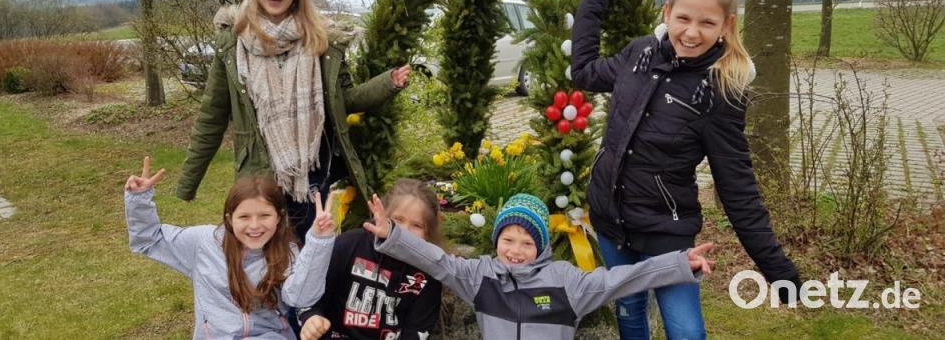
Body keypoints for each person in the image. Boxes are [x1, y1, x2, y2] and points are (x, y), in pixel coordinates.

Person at [571, 0, 801, 339]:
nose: (692, 33)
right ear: (667, 12)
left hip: (665, 233)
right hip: (610, 219)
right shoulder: (638, 54)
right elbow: (583, 71)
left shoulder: (721, 91)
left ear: (727, 25)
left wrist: (777, 270)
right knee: (629, 311)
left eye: (707, 23)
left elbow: (737, 186)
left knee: (686, 331)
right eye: (683, 18)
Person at [175, 0, 410, 242]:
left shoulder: (321, 41)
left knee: (309, 250)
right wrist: (188, 182)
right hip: (259, 176)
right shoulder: (233, 44)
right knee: (263, 253)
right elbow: (212, 117)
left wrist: (387, 83)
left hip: (311, 174)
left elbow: (344, 101)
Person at [363, 192, 713, 340]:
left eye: (527, 243)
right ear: (497, 239)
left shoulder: (566, 282)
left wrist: (679, 263)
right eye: (508, 240)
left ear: (541, 246)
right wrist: (393, 233)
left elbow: (621, 279)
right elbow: (436, 260)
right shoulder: (480, 276)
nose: (515, 251)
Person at [124, 156, 335, 339]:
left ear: (279, 218)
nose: (254, 226)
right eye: (244, 217)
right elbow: (149, 239)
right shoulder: (204, 243)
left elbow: (300, 297)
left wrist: (318, 241)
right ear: (229, 219)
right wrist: (139, 199)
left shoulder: (286, 250)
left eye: (264, 215)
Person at [297, 179, 443, 340]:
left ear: (428, 233)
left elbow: (417, 330)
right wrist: (311, 317)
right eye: (398, 219)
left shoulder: (429, 273)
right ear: (382, 215)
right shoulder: (349, 245)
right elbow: (309, 296)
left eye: (417, 225)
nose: (404, 231)